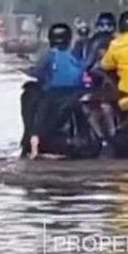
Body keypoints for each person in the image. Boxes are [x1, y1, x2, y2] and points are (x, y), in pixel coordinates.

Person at [27, 23, 88, 160]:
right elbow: (84, 69)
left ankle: (34, 149)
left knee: (39, 120)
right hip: (77, 93)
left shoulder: (49, 55)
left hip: (54, 94)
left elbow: (38, 72)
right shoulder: (75, 55)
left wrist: (30, 71)